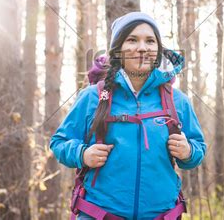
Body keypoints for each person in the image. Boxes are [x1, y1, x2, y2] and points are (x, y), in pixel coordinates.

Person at [50, 12, 207, 219]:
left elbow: (198, 150)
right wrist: (83, 154)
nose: (142, 48)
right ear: (118, 50)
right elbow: (59, 142)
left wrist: (187, 152)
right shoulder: (93, 97)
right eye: (132, 40)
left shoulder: (177, 101)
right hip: (99, 214)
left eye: (150, 41)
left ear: (158, 50)